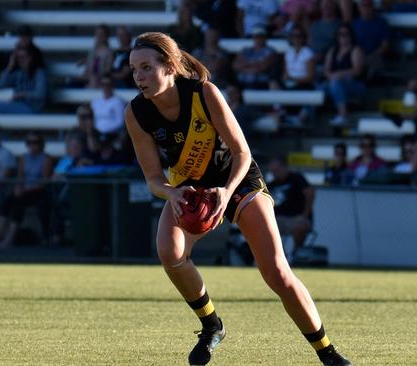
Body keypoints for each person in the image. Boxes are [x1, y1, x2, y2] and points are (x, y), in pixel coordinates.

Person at [125, 31, 351, 366]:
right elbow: (153, 179)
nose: (139, 77)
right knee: (169, 252)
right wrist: (171, 193)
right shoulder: (137, 113)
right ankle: (212, 324)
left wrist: (226, 192)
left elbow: (241, 151)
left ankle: (328, 353)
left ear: (170, 66)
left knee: (276, 272)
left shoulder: (204, 93)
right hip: (190, 187)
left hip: (237, 180)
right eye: (134, 70)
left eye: (146, 67)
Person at [0, 132, 53, 249]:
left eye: (35, 142)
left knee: (19, 204)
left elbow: (44, 182)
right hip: (24, 190)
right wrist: (18, 187)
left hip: (39, 191)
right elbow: (20, 177)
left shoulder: (46, 159)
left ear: (41, 144)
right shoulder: (24, 158)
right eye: (29, 143)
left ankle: (9, 239)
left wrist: (25, 189)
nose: (32, 145)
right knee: (7, 202)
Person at [267, 156, 314, 257]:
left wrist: (305, 214)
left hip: (296, 218)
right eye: (272, 172)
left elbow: (310, 193)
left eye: (276, 170)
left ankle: (296, 253)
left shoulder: (297, 179)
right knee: (266, 227)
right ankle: (279, 256)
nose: (275, 174)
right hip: (277, 219)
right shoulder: (271, 185)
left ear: (284, 167)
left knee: (300, 226)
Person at [323, 24, 365, 125]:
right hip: (334, 82)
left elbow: (357, 71)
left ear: (351, 36)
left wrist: (339, 74)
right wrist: (330, 76)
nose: (342, 36)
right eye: (340, 34)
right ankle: (303, 116)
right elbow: (326, 70)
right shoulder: (332, 50)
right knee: (318, 88)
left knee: (335, 84)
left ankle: (343, 115)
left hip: (354, 84)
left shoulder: (356, 50)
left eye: (346, 34)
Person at [0, 45, 47, 114]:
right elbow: (1, 85)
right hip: (18, 105)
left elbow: (41, 93)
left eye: (24, 57)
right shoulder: (18, 72)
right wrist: (10, 66)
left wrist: (22, 94)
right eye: (19, 58)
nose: (21, 60)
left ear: (31, 58)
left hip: (32, 108)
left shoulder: (39, 72)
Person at [232, 25, 279, 90]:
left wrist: (244, 66)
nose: (258, 38)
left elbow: (262, 68)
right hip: (242, 83)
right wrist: (254, 64)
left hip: (261, 84)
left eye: (261, 36)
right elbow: (235, 65)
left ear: (265, 37)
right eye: (256, 36)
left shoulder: (271, 51)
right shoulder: (245, 50)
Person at [352, 0, 390, 80]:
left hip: (375, 57)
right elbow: (349, 44)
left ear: (373, 7)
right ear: (358, 8)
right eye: (363, 5)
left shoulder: (381, 23)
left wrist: (371, 56)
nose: (366, 8)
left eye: (369, 5)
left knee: (371, 63)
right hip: (357, 57)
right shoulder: (354, 24)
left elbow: (385, 46)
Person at [308, 0, 341, 64]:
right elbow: (309, 43)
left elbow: (342, 47)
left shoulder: (340, 25)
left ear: (334, 6)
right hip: (311, 61)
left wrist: (323, 55)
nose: (326, 7)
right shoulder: (314, 25)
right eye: (324, 5)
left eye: (329, 5)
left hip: (329, 62)